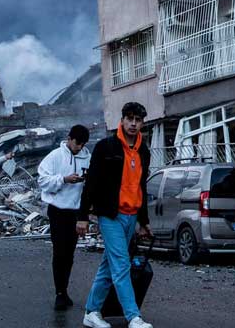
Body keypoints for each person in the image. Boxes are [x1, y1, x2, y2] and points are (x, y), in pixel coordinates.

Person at [79, 102, 153, 328]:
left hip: (131, 216)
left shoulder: (143, 151)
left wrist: (143, 221)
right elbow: (91, 183)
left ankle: (91, 312)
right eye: (129, 119)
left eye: (138, 120)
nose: (133, 123)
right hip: (110, 215)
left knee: (108, 266)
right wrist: (82, 216)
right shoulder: (106, 147)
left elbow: (141, 187)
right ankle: (133, 317)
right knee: (121, 265)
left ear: (142, 123)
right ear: (122, 120)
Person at [38, 124, 91, 310]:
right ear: (69, 139)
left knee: (69, 254)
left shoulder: (88, 158)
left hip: (76, 213)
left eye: (83, 144)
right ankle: (59, 293)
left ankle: (64, 289)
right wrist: (64, 179)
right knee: (59, 252)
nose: (79, 147)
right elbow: (42, 180)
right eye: (77, 143)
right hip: (58, 211)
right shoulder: (55, 156)